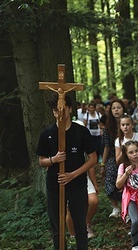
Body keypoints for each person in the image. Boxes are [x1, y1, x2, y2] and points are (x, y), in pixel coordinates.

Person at [36, 93, 97, 250]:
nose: (60, 113)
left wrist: (73, 175)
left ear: (70, 109)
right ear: (53, 112)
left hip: (77, 184)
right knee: (57, 226)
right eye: (56, 110)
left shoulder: (81, 132)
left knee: (80, 225)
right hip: (55, 184)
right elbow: (41, 161)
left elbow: (93, 159)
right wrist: (53, 160)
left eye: (63, 109)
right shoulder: (47, 134)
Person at [101, 100, 127, 218]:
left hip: (127, 156)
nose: (116, 110)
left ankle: (127, 208)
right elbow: (106, 146)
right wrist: (103, 164)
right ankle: (115, 207)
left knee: (126, 181)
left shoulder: (128, 123)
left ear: (123, 109)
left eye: (119, 107)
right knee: (110, 182)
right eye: (114, 108)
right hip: (112, 156)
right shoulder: (108, 126)